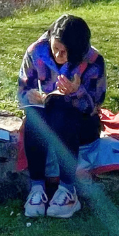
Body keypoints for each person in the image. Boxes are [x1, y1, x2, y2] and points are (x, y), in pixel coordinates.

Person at [17, 14, 105, 219]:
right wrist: (28, 96)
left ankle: (67, 190)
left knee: (62, 111)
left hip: (80, 122)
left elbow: (95, 104)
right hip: (45, 115)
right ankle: (37, 188)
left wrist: (76, 91)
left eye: (64, 52)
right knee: (34, 116)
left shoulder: (93, 60)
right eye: (55, 47)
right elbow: (22, 89)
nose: (58, 54)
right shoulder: (35, 51)